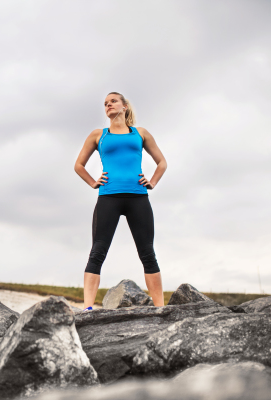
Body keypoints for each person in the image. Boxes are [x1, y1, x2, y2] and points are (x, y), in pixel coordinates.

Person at [74, 92, 167, 310]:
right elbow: (79, 165)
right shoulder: (99, 135)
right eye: (105, 103)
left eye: (113, 101)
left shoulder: (140, 133)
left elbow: (162, 162)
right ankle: (88, 308)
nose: (108, 105)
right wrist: (93, 182)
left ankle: (160, 309)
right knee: (97, 251)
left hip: (138, 197)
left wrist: (152, 181)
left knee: (148, 253)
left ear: (124, 106)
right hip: (108, 197)